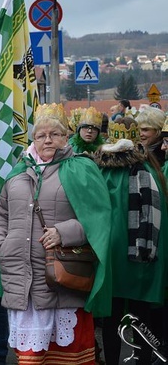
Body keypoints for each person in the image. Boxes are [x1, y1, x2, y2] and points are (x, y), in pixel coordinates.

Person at [0, 103, 112, 363]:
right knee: (30, 358)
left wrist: (64, 232)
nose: (47, 140)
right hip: (21, 279)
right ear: (33, 139)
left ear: (66, 137)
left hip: (61, 279)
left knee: (65, 357)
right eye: (41, 135)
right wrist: (0, 244)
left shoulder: (81, 168)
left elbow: (99, 218)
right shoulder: (18, 172)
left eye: (54, 134)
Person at [93, 136, 166, 365]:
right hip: (143, 258)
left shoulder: (99, 173)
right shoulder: (149, 172)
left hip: (110, 259)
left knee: (112, 318)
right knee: (140, 318)